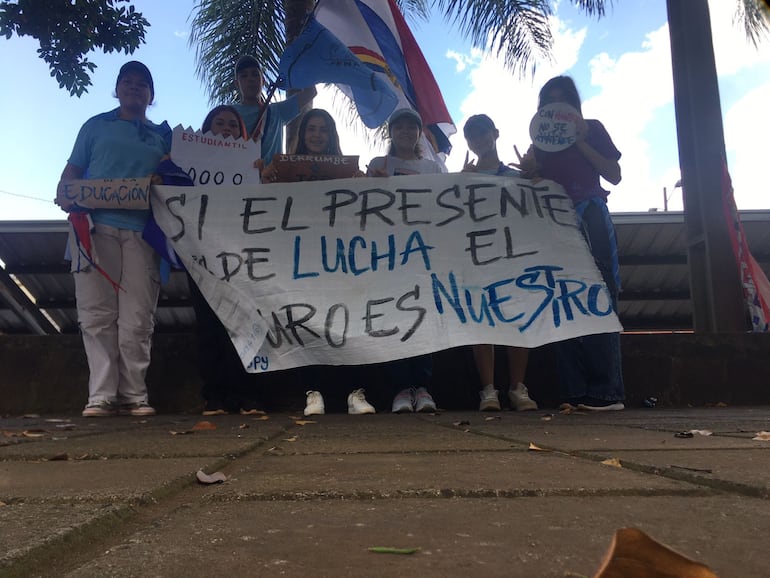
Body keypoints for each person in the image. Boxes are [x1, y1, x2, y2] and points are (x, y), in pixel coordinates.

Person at [56, 61, 170, 417]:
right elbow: (72, 170)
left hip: (144, 232)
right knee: (96, 314)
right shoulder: (94, 126)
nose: (135, 88)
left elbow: (176, 179)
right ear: (117, 89)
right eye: (128, 82)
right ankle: (101, 395)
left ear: (151, 95)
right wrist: (65, 191)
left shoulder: (163, 137)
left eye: (142, 85)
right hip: (93, 228)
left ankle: (135, 394)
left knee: (137, 317)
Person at [519, 76, 625, 411]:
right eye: (549, 100)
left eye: (563, 98)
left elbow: (614, 174)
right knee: (559, 298)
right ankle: (574, 391)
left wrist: (581, 142)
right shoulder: (538, 144)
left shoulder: (592, 129)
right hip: (554, 224)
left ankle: (608, 392)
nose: (556, 105)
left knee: (599, 296)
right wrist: (529, 174)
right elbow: (536, 188)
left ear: (575, 104)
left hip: (590, 217)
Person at [259, 109, 373, 416]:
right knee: (307, 323)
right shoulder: (284, 169)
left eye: (323, 129)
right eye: (312, 129)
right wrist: (266, 179)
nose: (317, 134)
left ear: (332, 135)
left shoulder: (349, 171)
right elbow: (269, 205)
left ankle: (354, 392)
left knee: (347, 321)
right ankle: (313, 392)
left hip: (341, 258)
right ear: (302, 134)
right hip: (303, 258)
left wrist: (366, 184)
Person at [188, 105, 264, 416]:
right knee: (209, 326)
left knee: (244, 323)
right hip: (200, 255)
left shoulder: (253, 164)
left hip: (243, 257)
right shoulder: (185, 166)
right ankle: (214, 395)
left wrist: (265, 175)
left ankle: (245, 393)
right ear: (206, 129)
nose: (226, 129)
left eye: (233, 124)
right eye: (218, 123)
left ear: (242, 133)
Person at [460, 114, 538, 412]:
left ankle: (518, 387)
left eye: (482, 132)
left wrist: (534, 175)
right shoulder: (463, 179)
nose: (478, 139)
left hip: (514, 257)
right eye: (472, 135)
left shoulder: (517, 176)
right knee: (482, 320)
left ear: (495, 133)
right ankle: (488, 390)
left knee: (518, 318)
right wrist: (459, 184)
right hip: (478, 258)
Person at [367, 108, 441, 413]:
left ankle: (422, 387)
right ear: (391, 133)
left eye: (412, 127)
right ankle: (400, 388)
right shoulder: (377, 164)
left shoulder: (432, 168)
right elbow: (364, 205)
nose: (406, 132)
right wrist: (374, 185)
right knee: (392, 316)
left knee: (422, 316)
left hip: (423, 254)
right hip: (388, 254)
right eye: (400, 127)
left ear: (419, 133)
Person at [231, 55, 316, 165]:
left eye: (255, 74)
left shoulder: (277, 111)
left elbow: (310, 92)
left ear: (263, 81)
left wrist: (298, 63)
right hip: (240, 179)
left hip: (271, 180)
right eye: (244, 76)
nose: (250, 79)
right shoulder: (229, 113)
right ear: (237, 84)